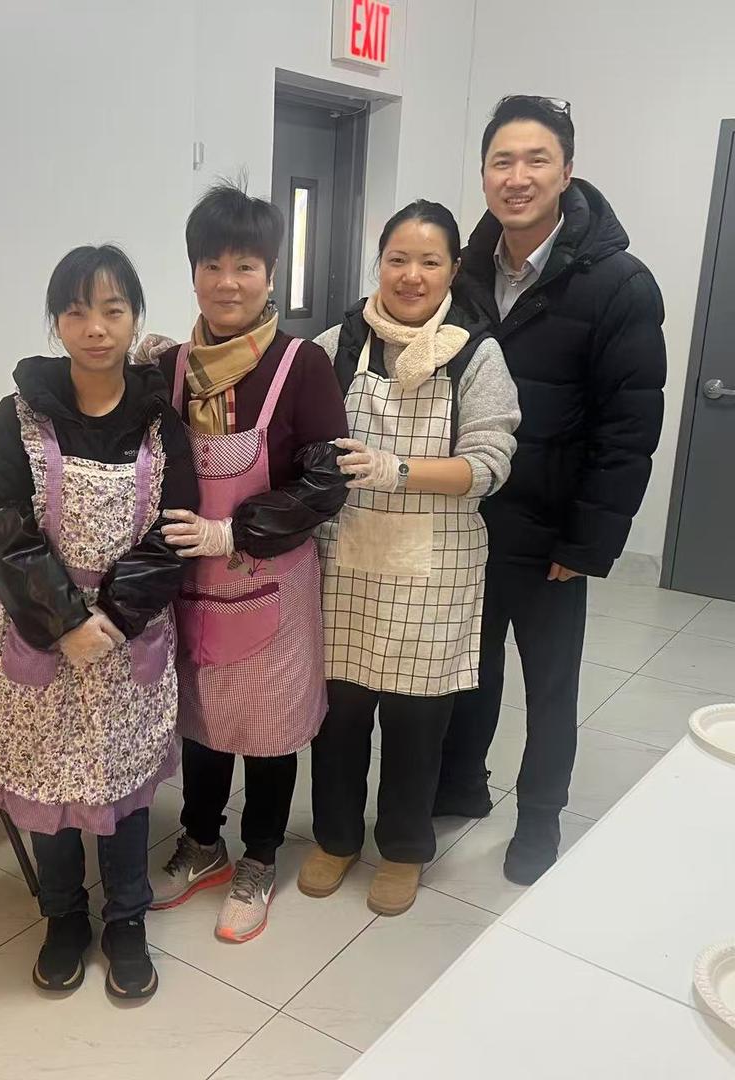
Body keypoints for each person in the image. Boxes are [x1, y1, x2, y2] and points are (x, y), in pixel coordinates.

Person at [437, 95, 666, 885]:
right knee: (469, 668)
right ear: (483, 174)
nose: (518, 176)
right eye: (502, 161)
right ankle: (461, 784)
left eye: (536, 160)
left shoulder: (619, 284)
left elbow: (629, 428)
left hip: (552, 531)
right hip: (466, 519)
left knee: (550, 685)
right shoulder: (463, 271)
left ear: (567, 171)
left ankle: (539, 818)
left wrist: (588, 541)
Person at [0, 244, 199, 1000]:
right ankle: (63, 917)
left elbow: (175, 531)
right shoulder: (18, 415)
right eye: (76, 311)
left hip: (130, 633)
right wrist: (65, 621)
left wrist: (116, 616)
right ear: (57, 322)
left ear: (134, 318)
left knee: (123, 788)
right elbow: (2, 523)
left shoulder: (161, 421)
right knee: (48, 788)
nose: (96, 328)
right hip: (39, 632)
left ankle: (126, 919)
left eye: (112, 310)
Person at [297, 200, 520, 915]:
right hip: (346, 564)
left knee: (416, 726)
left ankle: (402, 849)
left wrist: (396, 469)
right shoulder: (337, 346)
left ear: (453, 270)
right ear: (379, 264)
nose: (411, 275)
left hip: (436, 571)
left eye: (429, 261)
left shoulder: (476, 354)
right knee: (338, 720)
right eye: (398, 259)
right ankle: (335, 839)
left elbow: (488, 465)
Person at [149, 181, 349, 943]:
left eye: (246, 266)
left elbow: (325, 482)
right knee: (202, 717)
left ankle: (260, 856)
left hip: (271, 575)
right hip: (192, 584)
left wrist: (234, 534)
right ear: (193, 272)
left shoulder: (303, 365)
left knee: (269, 726)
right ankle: (202, 841)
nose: (227, 283)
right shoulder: (168, 369)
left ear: (271, 275)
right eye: (212, 265)